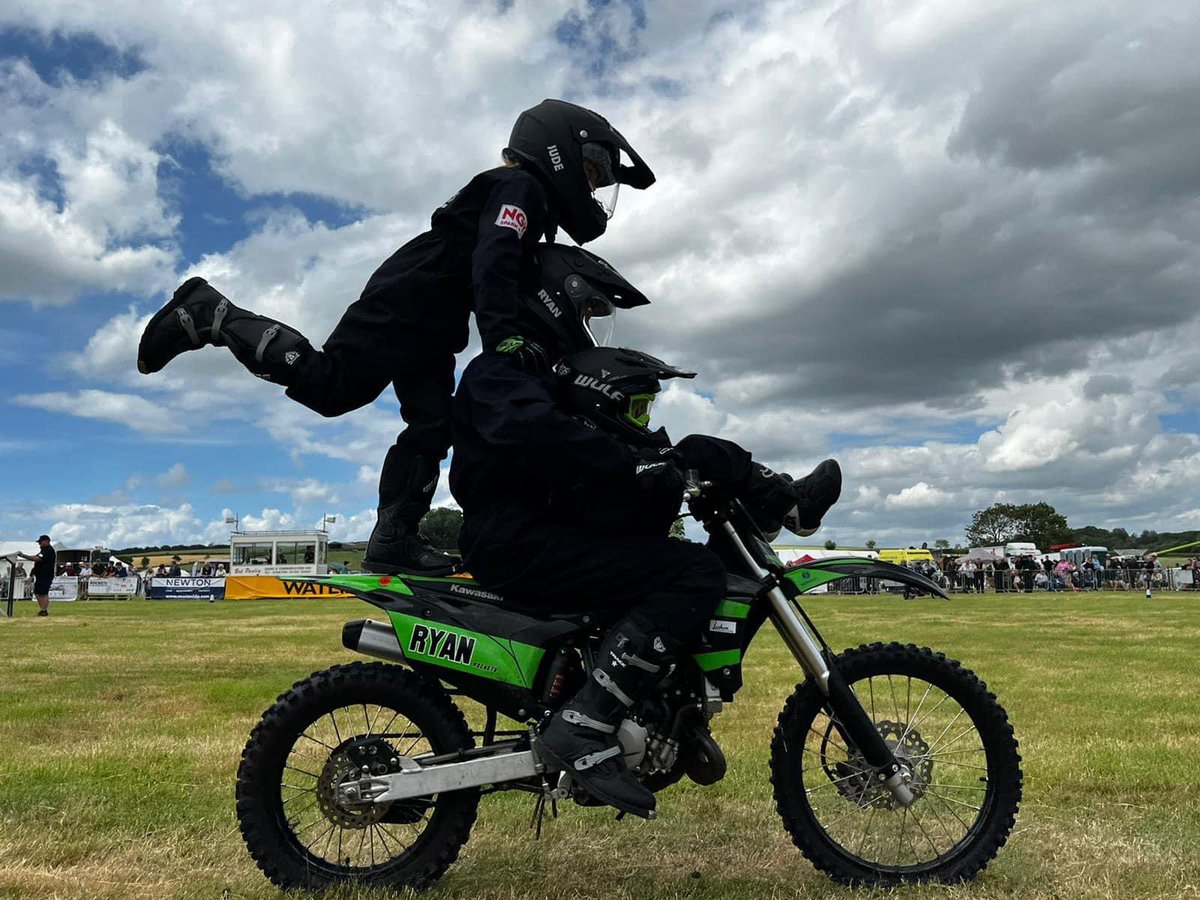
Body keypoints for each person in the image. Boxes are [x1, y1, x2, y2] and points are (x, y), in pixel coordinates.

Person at [137, 99, 655, 577]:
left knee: (434, 425)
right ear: (557, 151)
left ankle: (392, 538)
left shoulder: (527, 199)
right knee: (333, 387)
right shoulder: (522, 189)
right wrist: (502, 341)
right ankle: (212, 314)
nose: (590, 189)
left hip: (435, 314)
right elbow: (494, 256)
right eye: (590, 172)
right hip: (414, 292)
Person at [449, 245, 841, 819]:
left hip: (550, 524)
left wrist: (664, 463)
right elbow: (533, 430)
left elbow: (592, 440)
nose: (594, 326)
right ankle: (583, 726)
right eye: (592, 310)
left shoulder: (557, 372)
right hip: (516, 537)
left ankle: (781, 507)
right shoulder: (506, 366)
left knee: (697, 454)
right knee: (690, 573)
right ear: (558, 300)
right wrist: (633, 465)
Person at [16, 535, 56, 617]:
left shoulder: (48, 550)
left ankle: (44, 610)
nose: (39, 544)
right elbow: (36, 559)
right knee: (38, 593)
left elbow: (37, 559)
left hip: (45, 575)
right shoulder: (43, 550)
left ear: (46, 541)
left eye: (40, 542)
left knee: (43, 593)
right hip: (40, 575)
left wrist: (23, 556)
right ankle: (42, 609)